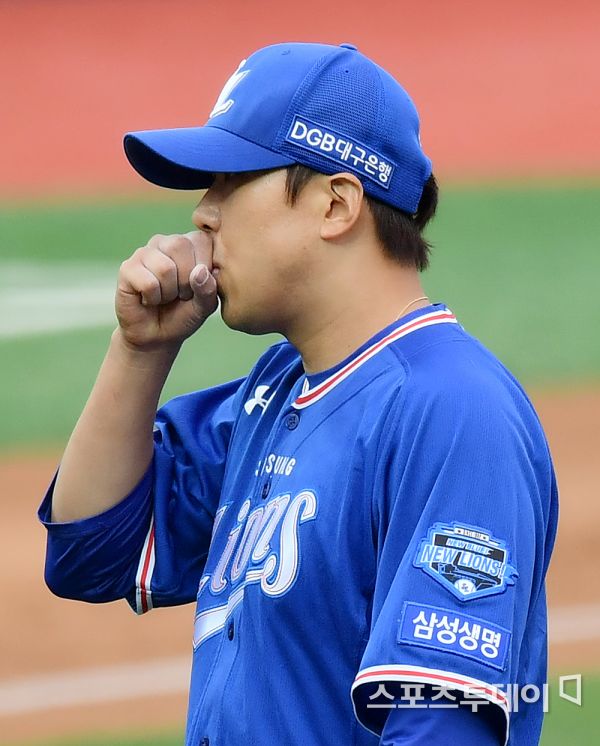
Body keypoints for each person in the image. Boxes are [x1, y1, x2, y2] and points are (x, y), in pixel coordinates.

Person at [38, 42, 558, 746]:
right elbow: (92, 556)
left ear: (336, 205)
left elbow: (440, 726)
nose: (203, 214)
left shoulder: (452, 410)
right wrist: (140, 351)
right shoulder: (276, 393)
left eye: (231, 181)